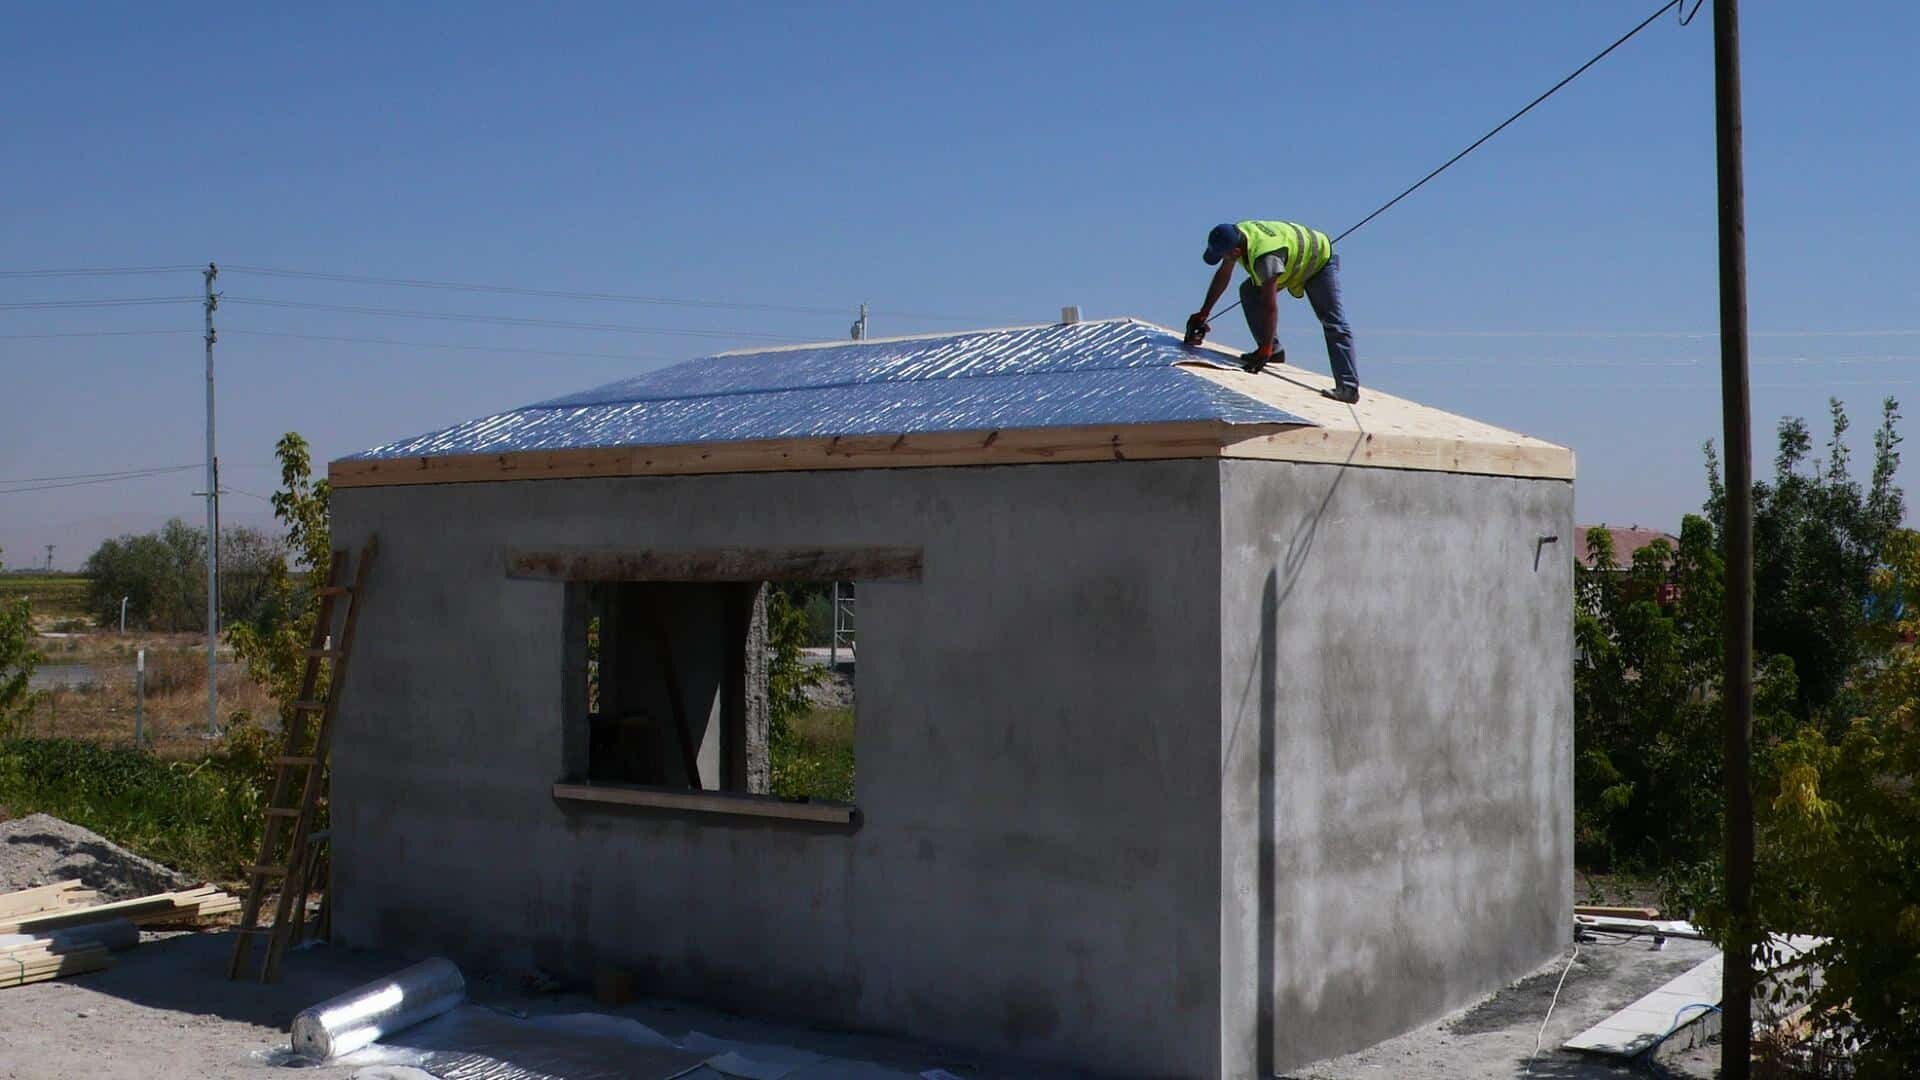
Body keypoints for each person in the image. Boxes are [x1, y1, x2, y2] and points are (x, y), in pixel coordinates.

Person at [1185, 220, 1360, 404]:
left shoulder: (1265, 258)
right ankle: (1274, 351)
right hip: (1292, 258)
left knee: (1332, 321)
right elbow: (1223, 276)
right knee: (1248, 290)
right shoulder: (1238, 234)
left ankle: (1348, 388)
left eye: (1224, 257)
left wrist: (1264, 350)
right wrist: (1203, 313)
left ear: (1235, 252)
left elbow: (1270, 307)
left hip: (1319, 262)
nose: (1224, 261)